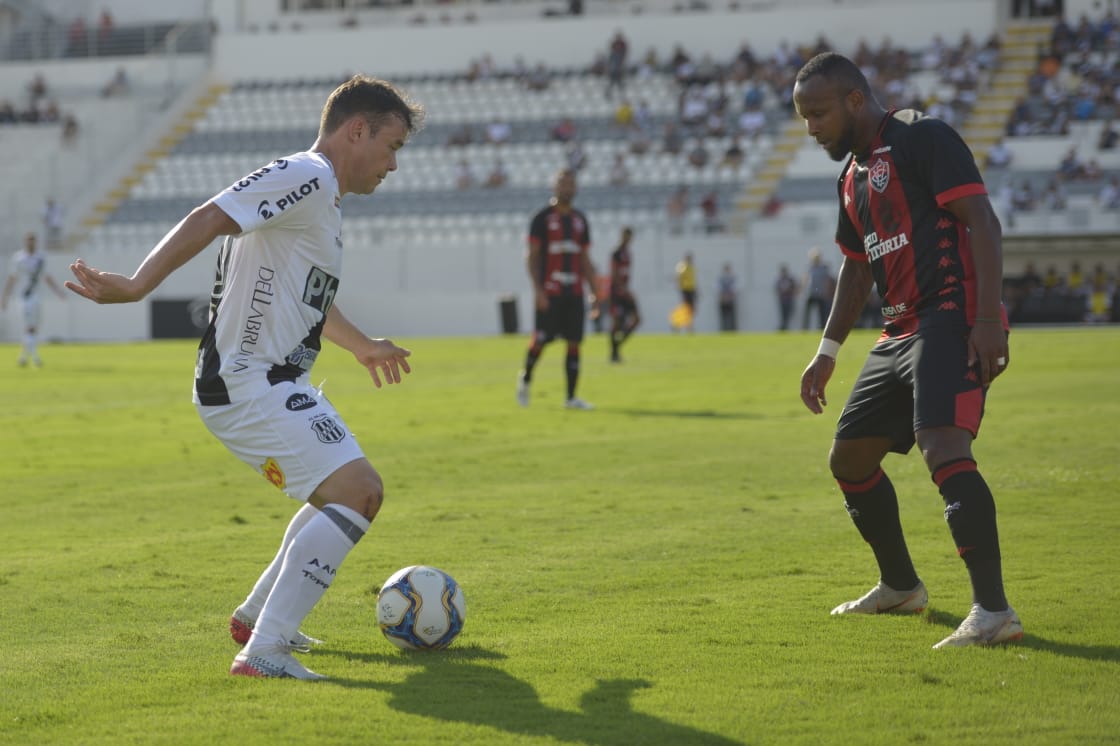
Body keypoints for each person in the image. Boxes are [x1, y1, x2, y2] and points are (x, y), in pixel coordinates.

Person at [63, 75, 425, 679]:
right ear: (356, 130)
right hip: (248, 381)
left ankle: (257, 615)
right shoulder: (308, 175)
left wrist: (361, 346)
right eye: (391, 146)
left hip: (270, 382)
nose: (392, 164)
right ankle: (264, 650)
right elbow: (209, 216)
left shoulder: (320, 198)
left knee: (336, 488)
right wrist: (136, 285)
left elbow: (307, 295)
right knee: (359, 490)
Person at [793, 52, 1021, 649]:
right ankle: (901, 586)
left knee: (943, 448)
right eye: (802, 117)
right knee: (849, 461)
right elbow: (856, 268)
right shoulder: (851, 177)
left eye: (817, 113)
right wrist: (827, 350)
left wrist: (986, 320)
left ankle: (993, 612)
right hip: (897, 333)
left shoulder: (924, 137)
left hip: (949, 318)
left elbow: (983, 223)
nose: (810, 128)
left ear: (853, 100)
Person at [516, 168, 599, 410]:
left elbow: (585, 259)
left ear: (576, 188)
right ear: (554, 187)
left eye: (571, 183)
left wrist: (594, 293)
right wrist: (538, 290)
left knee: (574, 342)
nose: (567, 187)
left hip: (573, 292)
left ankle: (571, 397)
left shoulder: (580, 220)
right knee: (540, 340)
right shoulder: (541, 218)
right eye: (562, 183)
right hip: (550, 292)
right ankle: (526, 378)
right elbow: (532, 257)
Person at [1, 232, 66, 366]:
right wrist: (4, 297)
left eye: (33, 241)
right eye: (29, 241)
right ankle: (35, 358)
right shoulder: (19, 258)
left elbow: (47, 277)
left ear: (35, 242)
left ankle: (23, 357)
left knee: (34, 327)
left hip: (37, 296)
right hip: (25, 296)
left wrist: (59, 291)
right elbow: (12, 278)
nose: (31, 243)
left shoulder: (40, 258)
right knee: (29, 327)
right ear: (25, 242)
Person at [607, 226, 641, 362]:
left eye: (630, 237)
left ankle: (617, 346)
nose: (628, 239)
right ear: (621, 236)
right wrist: (622, 289)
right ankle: (614, 353)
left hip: (625, 291)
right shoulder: (616, 253)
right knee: (616, 322)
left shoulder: (628, 253)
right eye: (626, 236)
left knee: (636, 320)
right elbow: (614, 274)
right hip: (616, 292)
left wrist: (626, 289)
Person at [801, 247, 834, 329]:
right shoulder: (810, 267)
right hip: (810, 293)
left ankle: (822, 328)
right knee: (806, 314)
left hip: (820, 294)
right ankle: (805, 328)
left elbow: (827, 281)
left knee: (822, 314)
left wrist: (827, 291)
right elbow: (805, 279)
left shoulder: (823, 268)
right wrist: (802, 290)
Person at [674, 252, 697, 333]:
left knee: (691, 309)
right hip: (686, 290)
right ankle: (678, 323)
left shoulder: (691, 267)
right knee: (686, 308)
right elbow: (678, 276)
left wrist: (696, 290)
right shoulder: (683, 266)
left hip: (691, 290)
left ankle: (687, 326)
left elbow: (693, 280)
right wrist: (679, 286)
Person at [774, 263, 798, 331]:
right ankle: (783, 326)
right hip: (782, 300)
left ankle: (785, 326)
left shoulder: (790, 279)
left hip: (789, 299)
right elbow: (777, 288)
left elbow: (794, 288)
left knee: (788, 314)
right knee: (783, 314)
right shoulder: (779, 280)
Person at [717, 262, 738, 331]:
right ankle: (724, 330)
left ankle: (733, 330)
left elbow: (734, 289)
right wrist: (723, 296)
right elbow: (719, 289)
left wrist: (729, 296)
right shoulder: (721, 278)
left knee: (732, 316)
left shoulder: (732, 278)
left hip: (730, 299)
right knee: (723, 316)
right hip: (723, 300)